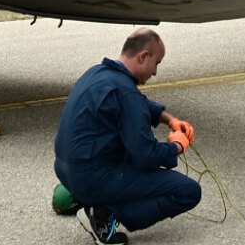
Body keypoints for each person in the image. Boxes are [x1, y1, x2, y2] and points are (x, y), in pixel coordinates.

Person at [54, 28, 200, 244]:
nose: (155, 72)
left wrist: (170, 120)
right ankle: (103, 215)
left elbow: (138, 102)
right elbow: (146, 155)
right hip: (90, 178)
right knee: (188, 191)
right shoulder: (125, 92)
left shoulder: (97, 73)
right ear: (143, 57)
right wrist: (177, 147)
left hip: (66, 172)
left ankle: (89, 198)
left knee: (121, 152)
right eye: (157, 63)